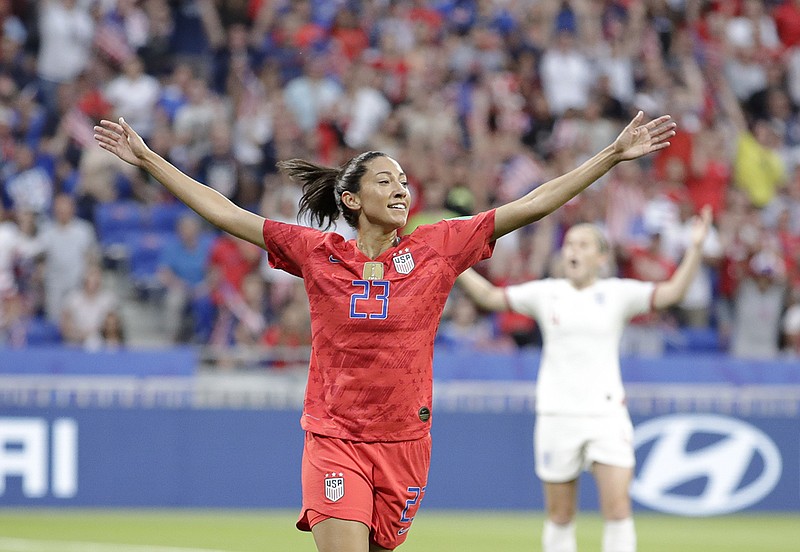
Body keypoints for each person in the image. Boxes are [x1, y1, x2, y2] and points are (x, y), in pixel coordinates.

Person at [93, 110, 674, 552]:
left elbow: (530, 205)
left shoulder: (437, 248)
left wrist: (611, 156)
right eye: (385, 181)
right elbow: (226, 213)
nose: (402, 189)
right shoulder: (317, 253)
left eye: (404, 181)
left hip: (404, 443)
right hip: (335, 435)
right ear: (351, 198)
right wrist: (148, 160)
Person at [455, 206, 712, 552]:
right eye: (570, 244)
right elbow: (489, 297)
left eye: (583, 245)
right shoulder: (545, 293)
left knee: (618, 510)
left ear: (602, 257)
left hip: (606, 415)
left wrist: (695, 248)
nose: (573, 250)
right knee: (560, 516)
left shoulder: (620, 293)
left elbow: (672, 294)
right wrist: (450, 262)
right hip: (556, 415)